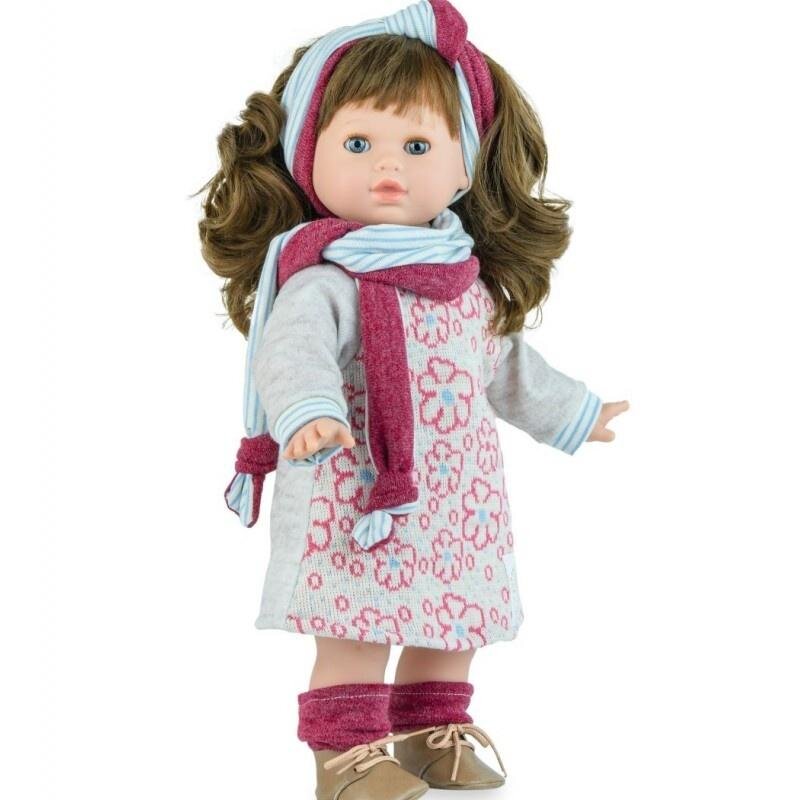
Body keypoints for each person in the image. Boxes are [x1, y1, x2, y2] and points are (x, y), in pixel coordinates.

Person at [197, 2, 629, 798]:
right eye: (358, 144)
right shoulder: (325, 282)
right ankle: (346, 752)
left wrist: (576, 411)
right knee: (358, 621)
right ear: (308, 158)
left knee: (454, 616)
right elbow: (291, 353)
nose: (386, 166)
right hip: (359, 488)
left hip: (457, 499)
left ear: (464, 168)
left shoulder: (466, 286)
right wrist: (308, 410)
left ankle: (434, 729)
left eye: (419, 145)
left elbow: (505, 367)